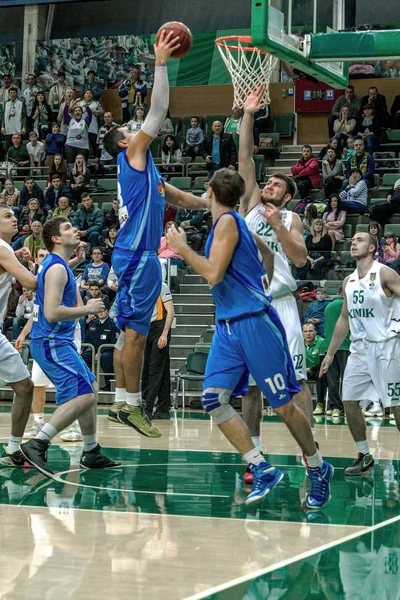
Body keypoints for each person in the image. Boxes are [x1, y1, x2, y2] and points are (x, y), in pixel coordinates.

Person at [166, 168, 333, 508]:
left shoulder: (229, 222)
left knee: (284, 403)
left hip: (254, 322)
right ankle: (261, 467)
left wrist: (182, 248)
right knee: (214, 399)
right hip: (229, 325)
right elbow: (269, 256)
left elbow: (213, 272)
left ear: (210, 190)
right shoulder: (233, 220)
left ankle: (317, 467)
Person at [102, 31, 210, 437]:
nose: (137, 130)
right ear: (124, 142)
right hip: (138, 253)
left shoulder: (145, 170)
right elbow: (159, 111)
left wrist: (206, 204)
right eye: (131, 129)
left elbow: (174, 195)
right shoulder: (132, 155)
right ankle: (131, 405)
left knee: (127, 332)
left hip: (133, 254)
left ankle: (121, 405)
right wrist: (161, 62)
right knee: (137, 332)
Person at [238, 87, 316, 484]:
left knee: (295, 380)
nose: (268, 185)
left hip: (282, 305)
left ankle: (310, 451)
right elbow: (245, 158)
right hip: (253, 305)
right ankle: (254, 455)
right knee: (252, 388)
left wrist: (275, 226)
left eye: (276, 185)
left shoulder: (290, 220)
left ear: (287, 196)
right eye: (267, 182)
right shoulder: (249, 204)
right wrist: (249, 114)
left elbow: (300, 258)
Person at [19, 217, 120, 476]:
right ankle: (38, 443)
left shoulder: (56, 264)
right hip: (52, 341)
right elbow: (52, 312)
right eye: (67, 228)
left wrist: (76, 260)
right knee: (83, 394)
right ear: (56, 239)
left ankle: (91, 450)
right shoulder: (56, 268)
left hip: (56, 341)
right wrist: (87, 308)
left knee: (92, 389)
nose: (74, 230)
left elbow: (55, 275)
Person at [320, 231, 400, 476]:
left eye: (360, 240)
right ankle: (364, 455)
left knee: (397, 406)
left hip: (387, 347)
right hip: (359, 350)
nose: (353, 242)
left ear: (373, 248)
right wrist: (331, 353)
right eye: (352, 240)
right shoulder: (349, 281)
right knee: (349, 402)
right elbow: (344, 318)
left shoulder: (385, 273)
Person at [0, 205, 37, 467]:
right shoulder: (2, 249)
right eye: (7, 216)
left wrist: (19, 258)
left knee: (25, 388)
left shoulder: (6, 250)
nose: (15, 219)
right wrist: (55, 263)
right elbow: (32, 283)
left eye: (15, 214)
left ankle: (14, 449)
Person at [142, 282, 175, 419]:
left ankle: (147, 408)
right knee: (162, 368)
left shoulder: (161, 286)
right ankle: (163, 408)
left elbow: (171, 311)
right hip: (146, 328)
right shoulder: (140, 285)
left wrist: (164, 334)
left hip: (159, 327)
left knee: (154, 369)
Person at [321, 285, 350, 418]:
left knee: (332, 380)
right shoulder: (346, 305)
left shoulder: (328, 307)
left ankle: (334, 407)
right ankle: (348, 407)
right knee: (346, 379)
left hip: (329, 347)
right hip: (345, 346)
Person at [82, 300, 116, 391]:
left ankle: (108, 383)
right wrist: (82, 349)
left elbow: (113, 342)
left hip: (107, 351)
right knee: (83, 357)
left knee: (105, 357)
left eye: (103, 310)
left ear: (108, 311)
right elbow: (86, 338)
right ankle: (85, 383)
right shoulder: (93, 323)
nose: (101, 312)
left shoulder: (112, 325)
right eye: (99, 310)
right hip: (93, 350)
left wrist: (101, 352)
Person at [302, 323, 328, 416]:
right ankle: (295, 404)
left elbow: (323, 362)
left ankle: (319, 404)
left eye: (310, 331)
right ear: (302, 333)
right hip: (304, 371)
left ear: (315, 332)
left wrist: (310, 369)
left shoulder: (322, 342)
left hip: (317, 369)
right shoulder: (300, 343)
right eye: (305, 331)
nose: (308, 334)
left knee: (322, 375)